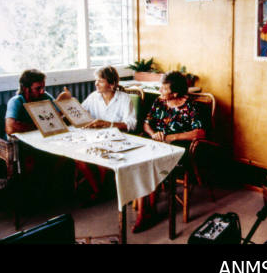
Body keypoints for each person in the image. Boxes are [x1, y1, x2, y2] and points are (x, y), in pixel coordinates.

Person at [132, 71, 206, 233]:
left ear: (175, 93)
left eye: (163, 89)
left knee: (150, 164)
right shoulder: (159, 102)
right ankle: (147, 210)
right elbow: (146, 124)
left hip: (178, 148)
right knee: (140, 163)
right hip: (157, 142)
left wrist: (172, 137)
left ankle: (145, 212)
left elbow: (199, 133)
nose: (160, 91)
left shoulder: (189, 107)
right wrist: (153, 134)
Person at [5, 69, 73, 204]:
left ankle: (50, 190)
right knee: (31, 162)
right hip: (20, 145)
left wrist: (63, 102)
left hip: (44, 140)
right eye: (38, 88)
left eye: (43, 87)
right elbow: (10, 128)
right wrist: (40, 124)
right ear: (25, 88)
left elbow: (57, 117)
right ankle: (33, 198)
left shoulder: (45, 97)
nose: (42, 91)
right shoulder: (16, 101)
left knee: (65, 153)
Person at [75, 65, 137, 205]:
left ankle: (101, 190)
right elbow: (80, 113)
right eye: (96, 80)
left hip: (117, 138)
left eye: (100, 81)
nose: (96, 83)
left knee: (103, 160)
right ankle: (98, 191)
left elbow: (131, 124)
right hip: (95, 137)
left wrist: (107, 124)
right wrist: (68, 103)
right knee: (79, 160)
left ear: (112, 84)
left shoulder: (123, 99)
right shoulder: (94, 97)